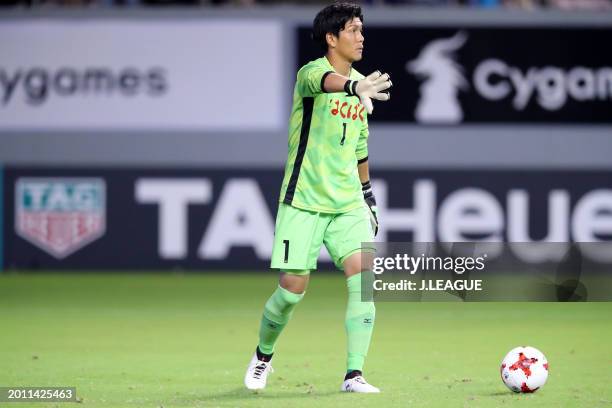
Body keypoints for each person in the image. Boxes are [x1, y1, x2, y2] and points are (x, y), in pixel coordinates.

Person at [243, 2, 392, 394]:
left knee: (364, 280)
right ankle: (263, 355)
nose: (361, 37)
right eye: (353, 30)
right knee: (291, 291)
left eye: (362, 30)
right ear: (332, 37)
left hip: (346, 203)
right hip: (304, 199)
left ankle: (353, 374)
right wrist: (353, 87)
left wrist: (368, 197)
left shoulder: (363, 87)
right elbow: (328, 82)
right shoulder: (312, 73)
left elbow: (360, 150)